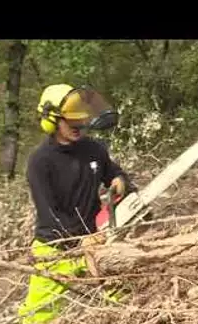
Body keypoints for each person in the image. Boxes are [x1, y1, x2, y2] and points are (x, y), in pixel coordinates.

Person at [17, 84, 136, 323]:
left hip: (96, 240)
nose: (78, 126)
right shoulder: (40, 162)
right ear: (52, 121)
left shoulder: (93, 149)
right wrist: (78, 239)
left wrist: (118, 180)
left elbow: (113, 172)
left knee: (126, 300)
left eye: (80, 120)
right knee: (38, 315)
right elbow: (49, 213)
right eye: (71, 122)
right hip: (55, 247)